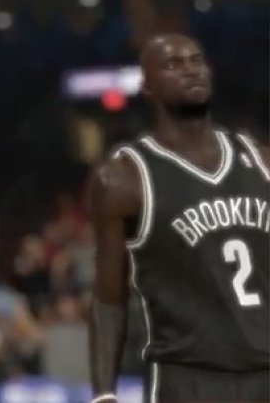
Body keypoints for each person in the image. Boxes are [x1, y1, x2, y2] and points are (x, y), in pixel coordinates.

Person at [88, 34, 269, 403]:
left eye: (196, 61)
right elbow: (109, 298)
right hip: (186, 378)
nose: (190, 70)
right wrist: (104, 393)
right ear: (147, 87)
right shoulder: (124, 179)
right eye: (173, 64)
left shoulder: (261, 161)